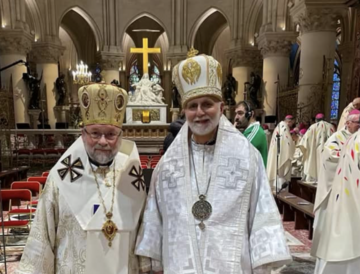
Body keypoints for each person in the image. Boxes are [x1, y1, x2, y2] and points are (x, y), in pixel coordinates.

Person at [135, 50, 291, 273]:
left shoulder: (247, 158)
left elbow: (261, 213)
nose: (200, 113)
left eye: (207, 104)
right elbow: (155, 218)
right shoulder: (168, 165)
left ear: (221, 107)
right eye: (192, 106)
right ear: (184, 111)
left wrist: (262, 264)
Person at [16, 83, 147, 274]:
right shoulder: (61, 178)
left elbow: (143, 231)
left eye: (110, 134)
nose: (103, 141)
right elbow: (42, 236)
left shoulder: (131, 175)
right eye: (95, 133)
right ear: (83, 134)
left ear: (120, 136)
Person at [311, 110, 360, 273]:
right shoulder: (336, 138)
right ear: (348, 122)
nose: (359, 126)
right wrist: (347, 158)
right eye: (357, 122)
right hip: (334, 189)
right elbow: (329, 156)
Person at [297, 113, 335, 182]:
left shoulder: (312, 127)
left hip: (313, 154)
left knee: (313, 165)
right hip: (327, 153)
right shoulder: (330, 127)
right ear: (325, 119)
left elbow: (304, 142)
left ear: (316, 120)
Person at [266, 115, 296, 192]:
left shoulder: (279, 127)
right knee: (281, 176)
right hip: (282, 158)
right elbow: (287, 145)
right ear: (289, 121)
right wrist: (293, 143)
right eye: (292, 123)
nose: (292, 125)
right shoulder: (284, 129)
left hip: (277, 155)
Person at [234, 101, 268, 167]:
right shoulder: (248, 131)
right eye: (236, 114)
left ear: (251, 114)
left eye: (240, 113)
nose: (236, 118)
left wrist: (231, 132)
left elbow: (236, 153)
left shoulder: (255, 131)